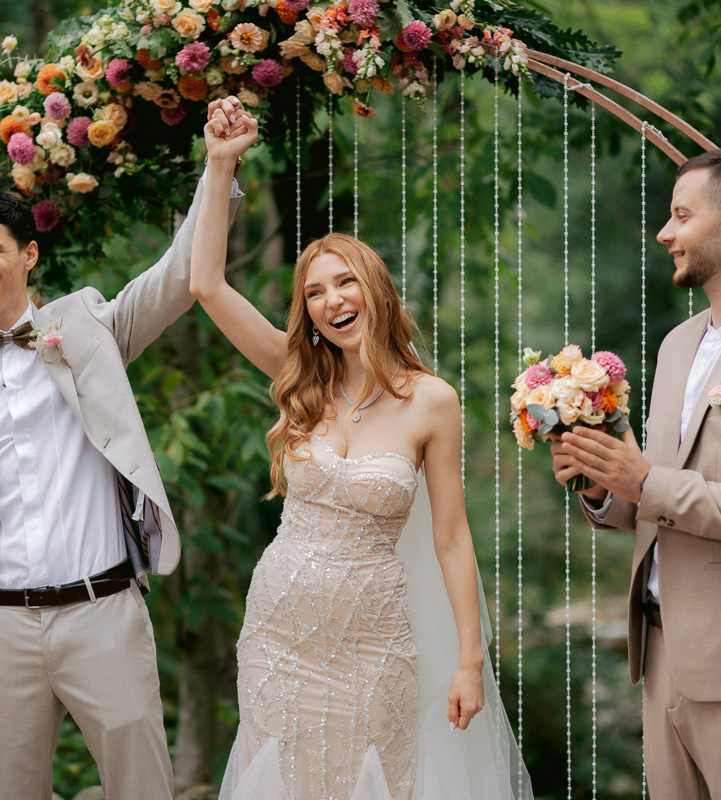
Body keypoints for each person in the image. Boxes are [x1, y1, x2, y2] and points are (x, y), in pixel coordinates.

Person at [0, 101, 246, 799]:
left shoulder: (84, 327)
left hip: (103, 613)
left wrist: (220, 166)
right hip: (2, 630)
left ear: (28, 255)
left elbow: (178, 277)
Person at [191, 110, 530, 799]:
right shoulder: (298, 379)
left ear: (374, 289)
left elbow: (452, 535)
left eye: (343, 283)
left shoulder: (432, 400)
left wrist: (470, 659)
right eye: (313, 293)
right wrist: (221, 163)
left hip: (375, 645)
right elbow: (207, 286)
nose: (329, 301)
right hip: (280, 634)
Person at [550, 145, 721, 798]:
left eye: (680, 215)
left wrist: (642, 482)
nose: (664, 233)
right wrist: (602, 486)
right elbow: (659, 497)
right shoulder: (677, 346)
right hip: (662, 658)